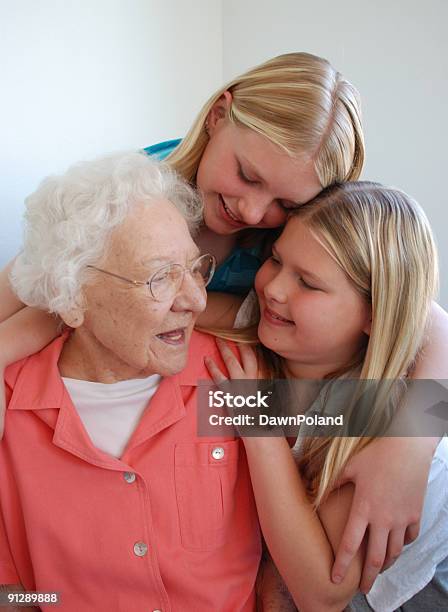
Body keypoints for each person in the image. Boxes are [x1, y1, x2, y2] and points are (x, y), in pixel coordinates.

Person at [0, 51, 446, 589]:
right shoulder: (134, 194)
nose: (254, 212)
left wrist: (409, 444)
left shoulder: (320, 358)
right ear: (218, 115)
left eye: (284, 202)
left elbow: (423, 319)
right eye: (247, 174)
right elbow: (45, 278)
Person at [0, 152, 261, 612]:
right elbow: (13, 592)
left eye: (195, 269)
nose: (197, 300)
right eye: (161, 277)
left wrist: (410, 450)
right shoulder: (13, 408)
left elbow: (399, 412)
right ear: (73, 297)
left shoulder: (231, 375)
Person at [205, 181, 448, 611]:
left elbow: (322, 593)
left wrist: (257, 425)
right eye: (276, 259)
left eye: (309, 284)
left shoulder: (372, 412)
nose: (275, 289)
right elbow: (162, 306)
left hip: (407, 589)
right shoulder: (272, 323)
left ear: (373, 315)